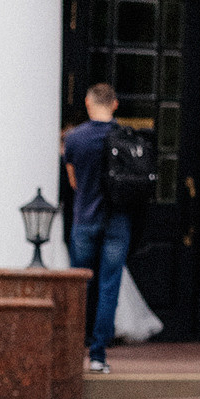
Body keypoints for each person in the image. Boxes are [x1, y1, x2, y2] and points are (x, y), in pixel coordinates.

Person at [62, 81, 130, 377]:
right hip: (118, 220)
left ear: (89, 105)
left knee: (81, 287)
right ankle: (99, 355)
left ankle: (76, 350)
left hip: (84, 219)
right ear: (115, 104)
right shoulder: (126, 137)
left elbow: (73, 181)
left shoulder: (74, 139)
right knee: (109, 286)